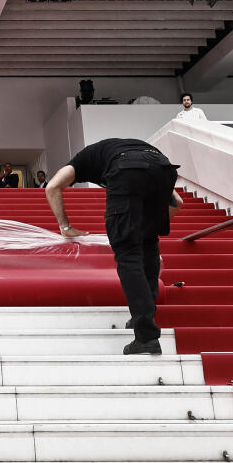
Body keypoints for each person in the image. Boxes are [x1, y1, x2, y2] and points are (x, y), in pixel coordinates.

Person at [45, 137, 181, 356]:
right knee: (148, 246)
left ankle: (146, 337)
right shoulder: (118, 149)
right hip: (164, 167)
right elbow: (178, 203)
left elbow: (52, 187)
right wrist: (150, 226)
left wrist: (65, 227)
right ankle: (146, 313)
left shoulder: (81, 161)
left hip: (127, 170)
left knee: (128, 254)